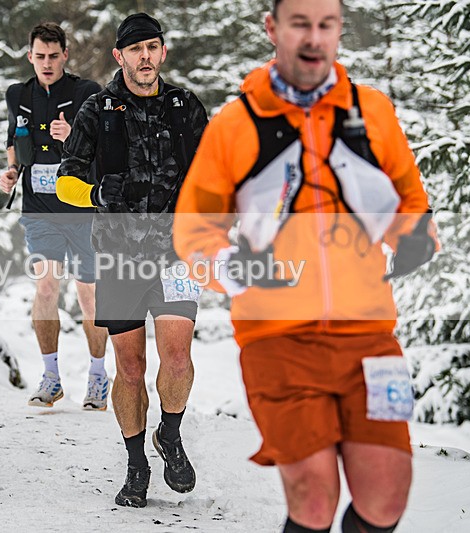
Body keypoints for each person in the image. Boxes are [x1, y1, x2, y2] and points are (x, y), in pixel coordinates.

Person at [173, 1, 438, 531]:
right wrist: (233, 266)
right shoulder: (235, 125)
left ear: (339, 30)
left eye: (326, 24)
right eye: (300, 24)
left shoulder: (372, 113)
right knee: (313, 497)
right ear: (273, 29)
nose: (314, 38)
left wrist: (415, 236)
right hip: (278, 340)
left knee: (387, 492)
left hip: (370, 337)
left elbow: (410, 204)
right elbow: (193, 232)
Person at [56, 13, 208, 508]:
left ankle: (171, 432)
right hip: (119, 253)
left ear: (163, 53)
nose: (145, 56)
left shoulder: (186, 108)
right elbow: (66, 180)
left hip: (176, 253)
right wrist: (98, 191)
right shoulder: (97, 111)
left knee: (178, 357)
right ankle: (136, 460)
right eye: (135, 49)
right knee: (129, 366)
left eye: (153, 47)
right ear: (119, 56)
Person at [0, 23, 110, 410]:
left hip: (80, 210)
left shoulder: (86, 93)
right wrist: (11, 171)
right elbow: (14, 140)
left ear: (65, 55)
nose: (46, 63)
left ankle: (98, 377)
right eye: (39, 56)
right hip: (39, 209)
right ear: (29, 56)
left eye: (53, 56)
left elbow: (105, 149)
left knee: (88, 294)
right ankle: (51, 377)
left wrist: (72, 136)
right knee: (46, 287)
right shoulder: (18, 95)